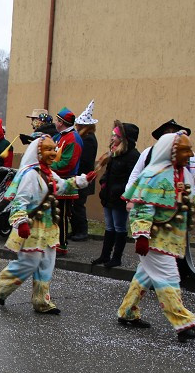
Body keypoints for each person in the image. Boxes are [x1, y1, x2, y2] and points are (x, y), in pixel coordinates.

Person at [117, 132, 195, 342]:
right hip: (153, 236)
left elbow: (187, 197)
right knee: (168, 277)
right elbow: (142, 208)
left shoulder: (181, 174)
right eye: (185, 150)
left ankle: (127, 312)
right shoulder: (154, 175)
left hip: (169, 236)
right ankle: (184, 324)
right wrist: (142, 235)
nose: (190, 154)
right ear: (171, 152)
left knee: (144, 275)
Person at [0, 136, 94, 314]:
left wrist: (81, 181)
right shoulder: (31, 175)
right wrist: (21, 222)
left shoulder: (48, 173)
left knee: (47, 263)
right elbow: (20, 201)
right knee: (29, 263)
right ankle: (1, 288)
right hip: (31, 226)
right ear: (38, 152)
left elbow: (61, 186)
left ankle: (42, 301)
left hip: (48, 226)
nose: (53, 153)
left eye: (54, 149)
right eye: (48, 149)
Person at [91, 121, 140, 267]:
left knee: (119, 228)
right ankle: (105, 255)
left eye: (115, 135)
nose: (112, 138)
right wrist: (104, 183)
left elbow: (133, 178)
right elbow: (108, 172)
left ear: (124, 139)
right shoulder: (114, 153)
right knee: (109, 227)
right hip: (109, 196)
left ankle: (116, 257)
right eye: (112, 135)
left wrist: (121, 191)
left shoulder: (132, 156)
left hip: (119, 198)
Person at [50, 107, 84, 253]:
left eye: (57, 120)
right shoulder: (60, 137)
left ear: (62, 122)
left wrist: (49, 165)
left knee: (62, 213)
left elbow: (67, 163)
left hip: (65, 181)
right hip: (56, 180)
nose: (55, 122)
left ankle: (61, 244)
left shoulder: (73, 139)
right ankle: (53, 240)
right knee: (53, 212)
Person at [71, 101, 98, 241]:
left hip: (84, 176)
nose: (76, 127)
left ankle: (81, 231)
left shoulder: (88, 140)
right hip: (81, 176)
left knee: (79, 205)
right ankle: (76, 230)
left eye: (78, 125)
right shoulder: (85, 138)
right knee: (75, 205)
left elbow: (86, 161)